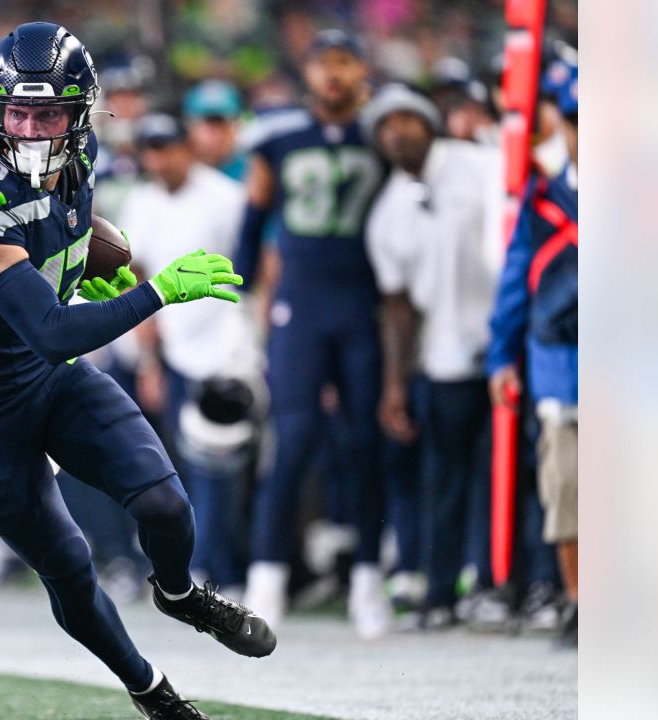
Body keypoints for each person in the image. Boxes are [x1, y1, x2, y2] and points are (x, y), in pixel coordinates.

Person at [0, 22, 273, 720]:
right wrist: (155, 288)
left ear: (78, 114)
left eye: (48, 113)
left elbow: (73, 218)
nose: (33, 129)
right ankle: (150, 690)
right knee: (69, 567)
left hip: (44, 379)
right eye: (18, 112)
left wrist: (101, 261)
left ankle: (178, 593)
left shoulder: (84, 155)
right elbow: (49, 330)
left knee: (164, 503)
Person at [235, 29, 391, 637]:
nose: (333, 75)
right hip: (300, 301)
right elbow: (253, 223)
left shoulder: (382, 134)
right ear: (307, 73)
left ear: (361, 71)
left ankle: (369, 581)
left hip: (362, 302)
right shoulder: (277, 139)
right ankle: (267, 576)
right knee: (293, 439)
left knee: (364, 445)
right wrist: (242, 303)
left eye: (345, 63)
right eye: (323, 64)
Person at [362, 84, 504, 628]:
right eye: (385, 125)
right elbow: (398, 307)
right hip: (444, 356)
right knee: (444, 478)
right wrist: (396, 384)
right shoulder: (387, 212)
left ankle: (504, 583)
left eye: (406, 119)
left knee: (507, 473)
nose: (396, 132)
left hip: (503, 344)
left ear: (429, 122)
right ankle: (442, 591)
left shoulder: (481, 166)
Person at [119, 112, 259, 589]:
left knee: (221, 464)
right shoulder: (141, 201)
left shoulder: (224, 197)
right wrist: (149, 360)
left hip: (226, 347)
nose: (158, 159)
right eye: (150, 149)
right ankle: (197, 565)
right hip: (176, 349)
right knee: (177, 463)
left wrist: (251, 345)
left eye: (167, 147)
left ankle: (228, 569)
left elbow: (252, 273)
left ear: (187, 147)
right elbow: (136, 281)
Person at [487, 66, 578, 647]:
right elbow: (515, 281)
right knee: (567, 485)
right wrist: (501, 356)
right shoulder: (544, 195)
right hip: (561, 362)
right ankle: (578, 599)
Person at [183, 80, 247, 180]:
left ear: (237, 127)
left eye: (222, 126)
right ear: (190, 128)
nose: (215, 135)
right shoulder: (177, 172)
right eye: (208, 127)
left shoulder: (255, 172)